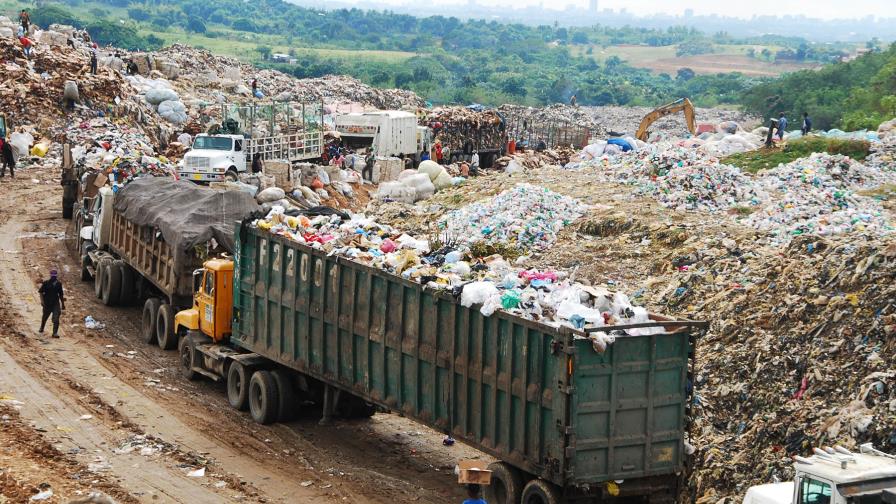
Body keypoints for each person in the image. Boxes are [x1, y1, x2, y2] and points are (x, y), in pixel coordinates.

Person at [38, 270, 65, 338]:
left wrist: (63, 304)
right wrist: (42, 301)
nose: (53, 277)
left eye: (54, 276)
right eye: (52, 276)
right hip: (47, 303)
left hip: (55, 303)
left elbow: (61, 295)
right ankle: (42, 327)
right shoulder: (46, 283)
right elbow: (40, 292)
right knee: (45, 317)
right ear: (50, 275)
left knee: (56, 318)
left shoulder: (59, 284)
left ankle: (55, 333)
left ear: (56, 276)